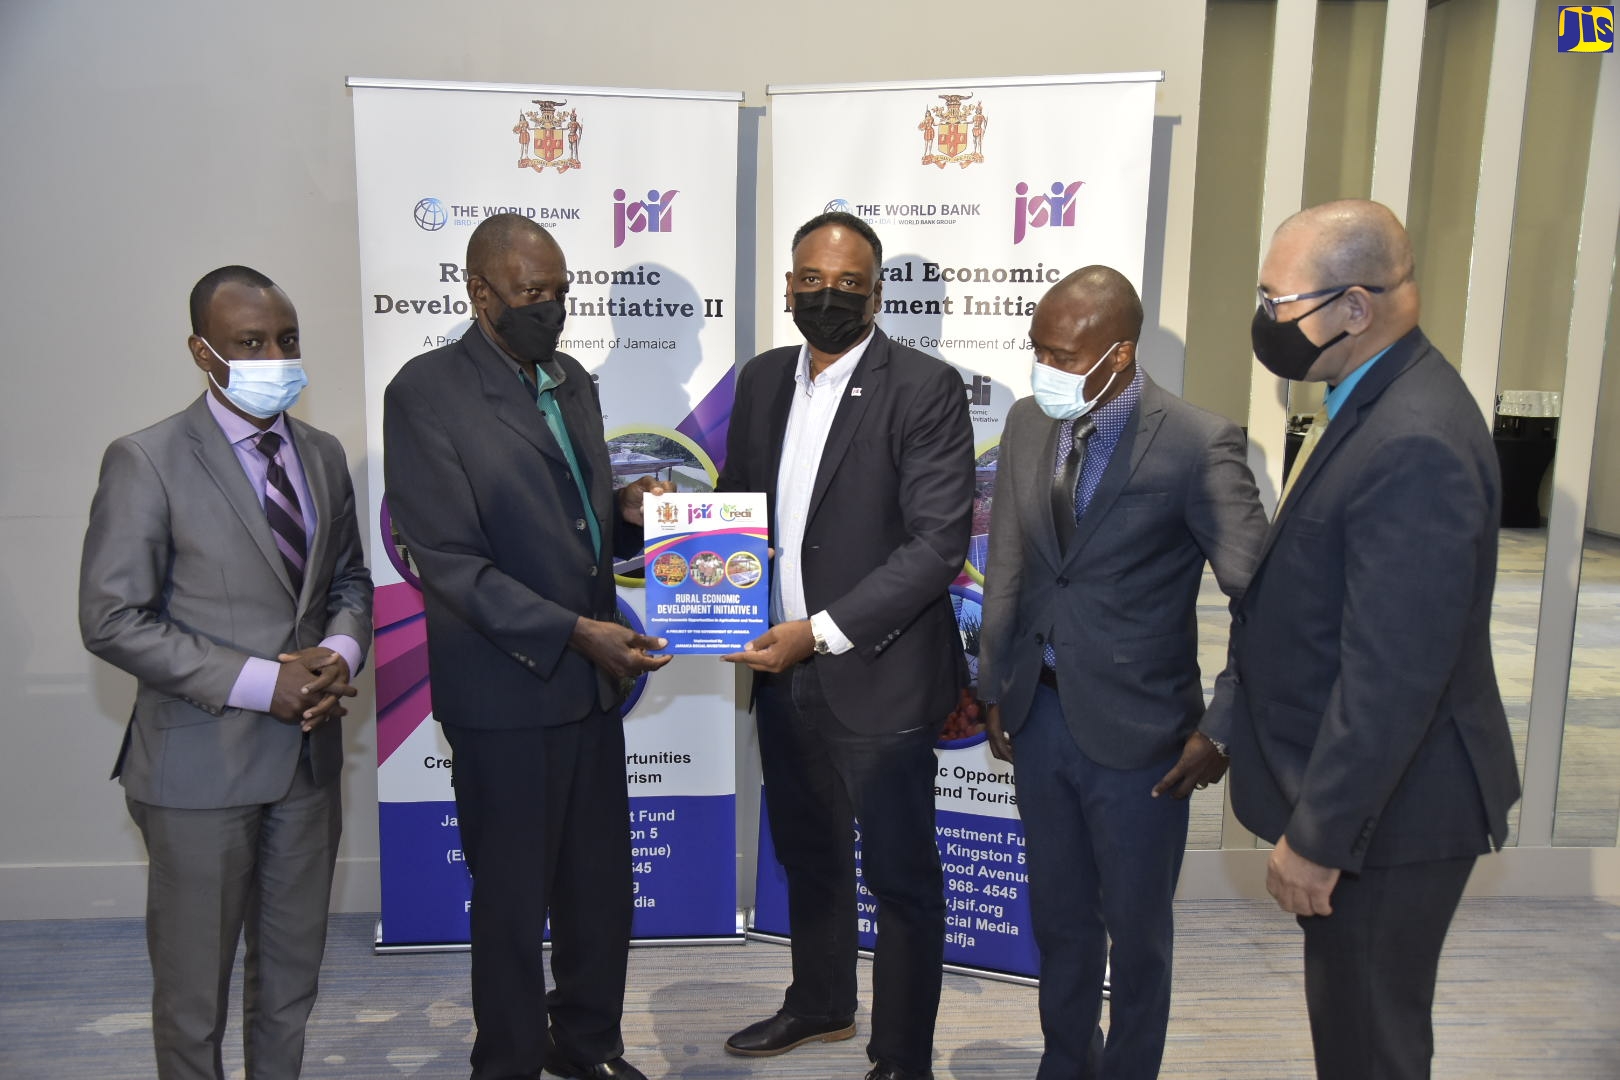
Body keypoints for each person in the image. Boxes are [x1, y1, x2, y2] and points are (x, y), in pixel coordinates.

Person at [1231, 199, 1521, 1080]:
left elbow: (1393, 673)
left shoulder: (1415, 439)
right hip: (1384, 803)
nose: (1265, 320)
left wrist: (1320, 838)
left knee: (1368, 1042)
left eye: (1279, 302)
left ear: (1356, 308)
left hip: (1393, 816)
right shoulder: (1374, 394)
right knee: (1357, 1029)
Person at [382, 213, 671, 1080]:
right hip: (505, 693)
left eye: (560, 293)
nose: (551, 309)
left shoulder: (570, 379)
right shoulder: (425, 392)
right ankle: (505, 1061)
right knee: (510, 907)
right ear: (480, 294)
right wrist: (576, 633)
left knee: (598, 896)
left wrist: (624, 517)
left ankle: (586, 1048)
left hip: (588, 692)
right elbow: (450, 563)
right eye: (532, 295)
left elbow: (574, 525)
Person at [80, 265, 373, 1080]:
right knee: (193, 997)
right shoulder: (146, 459)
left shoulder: (318, 455)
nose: (274, 356)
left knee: (289, 984)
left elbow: (348, 580)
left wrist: (338, 654)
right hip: (197, 770)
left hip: (310, 765)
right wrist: (260, 680)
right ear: (202, 352)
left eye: (286, 340)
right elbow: (110, 618)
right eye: (250, 343)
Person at [978, 267, 1267, 1079]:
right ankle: (1065, 1063)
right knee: (1061, 923)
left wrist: (1223, 725)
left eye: (1063, 353)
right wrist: (997, 680)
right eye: (1036, 348)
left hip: (1144, 738)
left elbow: (1266, 599)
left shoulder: (1195, 442)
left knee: (1137, 938)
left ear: (1119, 354)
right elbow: (1010, 565)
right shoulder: (1032, 424)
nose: (1045, 368)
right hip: (1039, 720)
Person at [718, 211, 975, 1080]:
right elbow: (733, 514)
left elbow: (937, 546)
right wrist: (678, 553)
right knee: (808, 854)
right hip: (784, 677)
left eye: (848, 284)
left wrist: (818, 635)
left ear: (876, 292)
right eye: (811, 281)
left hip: (879, 676)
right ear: (789, 284)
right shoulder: (759, 382)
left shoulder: (926, 387)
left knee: (901, 879)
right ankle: (820, 1002)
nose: (826, 296)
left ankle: (901, 1057)